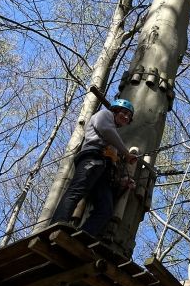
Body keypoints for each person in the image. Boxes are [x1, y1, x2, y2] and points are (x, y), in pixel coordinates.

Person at [52, 99, 138, 237]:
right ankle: (57, 224)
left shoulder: (114, 140)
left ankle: (83, 236)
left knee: (105, 209)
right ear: (115, 110)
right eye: (124, 113)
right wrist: (126, 153)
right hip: (93, 157)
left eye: (129, 117)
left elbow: (112, 160)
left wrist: (122, 182)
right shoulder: (105, 115)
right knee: (76, 191)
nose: (126, 117)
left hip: (103, 170)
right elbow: (106, 130)